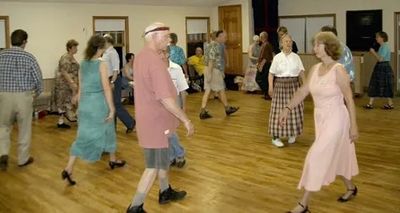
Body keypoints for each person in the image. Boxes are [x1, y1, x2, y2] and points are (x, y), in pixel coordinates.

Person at [279, 32, 359, 213]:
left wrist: (354, 125)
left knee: (316, 156)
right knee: (337, 155)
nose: (314, 48)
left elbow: (349, 98)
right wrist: (287, 109)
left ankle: (303, 204)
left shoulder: (338, 70)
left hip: (338, 118)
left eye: (317, 44)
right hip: (321, 118)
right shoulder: (315, 69)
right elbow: (302, 91)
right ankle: (351, 187)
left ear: (328, 47)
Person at [126, 22, 194, 213]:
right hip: (155, 122)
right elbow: (166, 99)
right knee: (153, 166)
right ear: (154, 37)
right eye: (166, 37)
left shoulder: (141, 57)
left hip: (154, 120)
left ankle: (165, 191)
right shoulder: (154, 61)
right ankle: (135, 206)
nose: (169, 40)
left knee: (162, 159)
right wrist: (186, 120)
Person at [61, 35, 126, 186]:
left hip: (85, 104)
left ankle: (113, 159)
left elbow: (81, 85)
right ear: (101, 48)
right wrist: (111, 108)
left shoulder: (83, 63)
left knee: (106, 130)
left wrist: (77, 96)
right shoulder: (101, 64)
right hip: (98, 104)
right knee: (86, 138)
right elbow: (106, 88)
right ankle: (68, 168)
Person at [0, 29, 42, 170]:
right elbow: (38, 79)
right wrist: (35, 94)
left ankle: (3, 154)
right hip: (23, 96)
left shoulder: (1, 55)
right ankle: (22, 159)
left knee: (3, 127)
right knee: (24, 129)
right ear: (24, 42)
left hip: (4, 96)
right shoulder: (29, 57)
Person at [268, 34, 305, 148]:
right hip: (280, 85)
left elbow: (301, 72)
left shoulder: (296, 57)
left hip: (294, 85)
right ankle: (275, 137)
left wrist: (306, 86)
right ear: (281, 44)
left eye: (290, 41)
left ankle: (292, 133)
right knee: (278, 111)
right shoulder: (277, 57)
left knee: (294, 110)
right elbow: (271, 74)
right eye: (286, 41)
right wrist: (270, 87)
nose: (288, 43)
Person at [199, 30, 239, 119]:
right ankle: (227, 108)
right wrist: (209, 75)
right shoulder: (215, 46)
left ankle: (203, 111)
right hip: (213, 70)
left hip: (210, 70)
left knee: (208, 90)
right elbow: (211, 61)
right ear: (219, 37)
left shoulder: (210, 45)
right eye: (224, 37)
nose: (226, 39)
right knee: (221, 89)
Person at [103, 35, 135, 133]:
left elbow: (116, 69)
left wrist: (112, 82)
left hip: (114, 80)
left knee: (116, 104)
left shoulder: (113, 53)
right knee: (111, 104)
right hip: (108, 79)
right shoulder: (106, 53)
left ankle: (130, 123)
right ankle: (112, 127)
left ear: (107, 41)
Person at [163, 46, 189, 168]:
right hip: (160, 103)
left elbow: (183, 89)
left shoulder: (176, 68)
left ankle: (179, 153)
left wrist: (184, 108)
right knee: (166, 131)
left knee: (169, 130)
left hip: (174, 102)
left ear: (168, 54)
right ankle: (173, 155)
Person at [364, 31, 394, 110]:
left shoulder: (385, 46)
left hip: (383, 67)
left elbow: (380, 59)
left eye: (377, 37)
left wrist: (373, 52)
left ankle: (389, 104)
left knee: (383, 85)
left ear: (382, 38)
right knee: (376, 84)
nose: (376, 38)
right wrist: (374, 53)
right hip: (381, 67)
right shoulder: (382, 46)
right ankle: (371, 103)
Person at [54, 39, 80, 129]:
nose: (76, 48)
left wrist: (75, 83)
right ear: (70, 48)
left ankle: (68, 118)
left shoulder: (73, 58)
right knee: (62, 102)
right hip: (63, 85)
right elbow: (64, 71)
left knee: (69, 102)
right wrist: (72, 82)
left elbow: (76, 72)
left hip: (70, 85)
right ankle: (61, 122)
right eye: (75, 47)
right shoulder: (65, 57)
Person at [256, 31, 274, 100]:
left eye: (260, 37)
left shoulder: (266, 45)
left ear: (262, 37)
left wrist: (260, 66)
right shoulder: (265, 44)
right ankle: (267, 94)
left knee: (259, 79)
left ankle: (267, 93)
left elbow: (265, 57)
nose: (259, 38)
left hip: (265, 64)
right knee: (264, 79)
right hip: (266, 64)